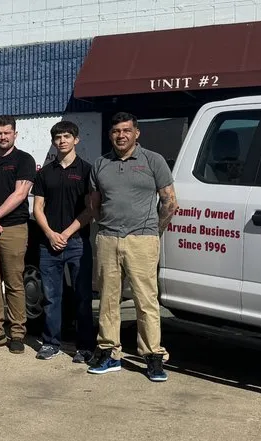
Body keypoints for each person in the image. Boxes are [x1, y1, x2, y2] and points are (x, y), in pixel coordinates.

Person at [87, 112, 178, 382]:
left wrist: (154, 232)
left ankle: (153, 356)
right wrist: (105, 227)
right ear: (110, 134)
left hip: (143, 239)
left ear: (137, 133)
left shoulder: (153, 160)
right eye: (116, 131)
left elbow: (169, 202)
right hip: (108, 238)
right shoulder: (101, 164)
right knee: (107, 300)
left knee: (146, 300)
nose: (121, 135)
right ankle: (109, 352)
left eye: (127, 130)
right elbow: (93, 203)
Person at [32, 121, 95, 362]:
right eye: (58, 137)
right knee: (51, 297)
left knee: (82, 297)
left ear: (76, 140)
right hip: (48, 244)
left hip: (77, 242)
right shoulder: (45, 173)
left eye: (67, 136)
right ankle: (51, 343)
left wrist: (66, 234)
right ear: (53, 141)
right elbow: (37, 208)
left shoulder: (88, 170)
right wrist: (50, 234)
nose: (62, 141)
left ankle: (85, 347)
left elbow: (90, 210)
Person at [0, 115, 37, 354]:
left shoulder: (24, 160)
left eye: (7, 133)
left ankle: (17, 333)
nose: (3, 137)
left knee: (14, 283)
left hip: (13, 229)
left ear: (15, 134)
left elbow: (20, 195)